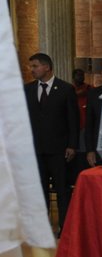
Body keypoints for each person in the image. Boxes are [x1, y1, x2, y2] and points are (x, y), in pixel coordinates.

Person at [24, 53, 78, 228]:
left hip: (59, 149)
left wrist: (72, 145)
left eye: (35, 66)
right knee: (39, 190)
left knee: (62, 189)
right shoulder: (28, 89)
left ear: (46, 67)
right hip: (36, 150)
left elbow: (73, 120)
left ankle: (65, 225)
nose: (32, 70)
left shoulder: (65, 89)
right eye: (31, 66)